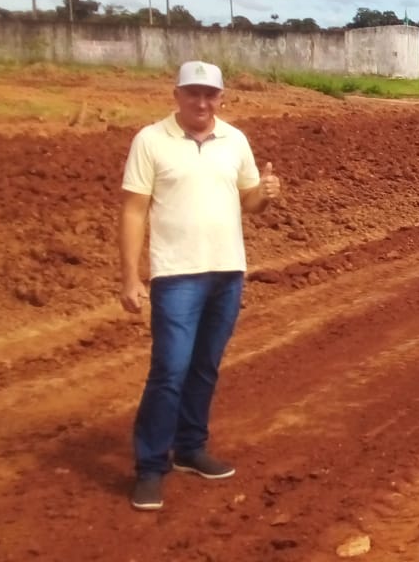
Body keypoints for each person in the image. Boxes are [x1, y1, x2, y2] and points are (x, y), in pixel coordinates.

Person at [119, 60, 282, 511]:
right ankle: (151, 467)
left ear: (222, 97)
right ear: (177, 95)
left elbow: (249, 202)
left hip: (227, 271)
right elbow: (133, 210)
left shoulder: (235, 141)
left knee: (205, 367)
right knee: (169, 370)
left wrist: (264, 193)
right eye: (193, 93)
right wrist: (130, 276)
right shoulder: (151, 141)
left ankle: (190, 448)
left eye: (210, 94)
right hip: (176, 275)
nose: (202, 102)